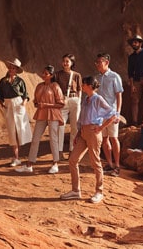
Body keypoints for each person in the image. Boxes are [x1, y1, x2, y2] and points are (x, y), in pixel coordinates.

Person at [60, 76, 116, 204]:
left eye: (84, 84)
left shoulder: (98, 99)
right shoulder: (85, 99)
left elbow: (112, 114)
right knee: (73, 160)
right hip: (83, 132)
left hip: (93, 132)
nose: (82, 86)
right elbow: (82, 118)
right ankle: (75, 190)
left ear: (90, 86)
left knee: (95, 162)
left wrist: (101, 127)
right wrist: (79, 134)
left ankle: (99, 192)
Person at [15, 65, 65, 174]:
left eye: (46, 73)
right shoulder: (39, 86)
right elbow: (36, 101)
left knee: (54, 139)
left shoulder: (55, 86)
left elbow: (61, 104)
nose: (43, 75)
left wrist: (46, 105)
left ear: (51, 75)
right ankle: (29, 165)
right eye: (43, 73)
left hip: (53, 114)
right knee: (35, 138)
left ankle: (55, 164)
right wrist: (37, 104)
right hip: (41, 113)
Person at [0, 59, 33, 166]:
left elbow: (26, 95)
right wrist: (2, 104)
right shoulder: (3, 81)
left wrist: (23, 104)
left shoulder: (20, 81)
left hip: (18, 104)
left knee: (20, 130)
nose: (11, 69)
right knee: (12, 131)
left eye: (14, 68)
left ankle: (17, 156)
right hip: (8, 105)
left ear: (17, 70)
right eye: (10, 67)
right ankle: (16, 157)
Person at [94, 53, 124, 177]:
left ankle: (117, 166)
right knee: (105, 139)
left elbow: (119, 95)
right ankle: (109, 164)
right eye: (96, 62)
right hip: (100, 114)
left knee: (114, 138)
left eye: (99, 62)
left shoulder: (114, 76)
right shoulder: (97, 78)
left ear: (107, 63)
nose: (97, 65)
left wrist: (118, 112)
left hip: (111, 113)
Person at [56, 54, 82, 159]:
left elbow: (80, 89)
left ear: (72, 63)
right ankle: (59, 151)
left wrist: (79, 100)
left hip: (74, 99)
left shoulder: (76, 75)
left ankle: (72, 150)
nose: (65, 63)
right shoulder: (57, 75)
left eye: (67, 61)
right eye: (64, 61)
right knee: (60, 126)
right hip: (63, 100)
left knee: (74, 126)